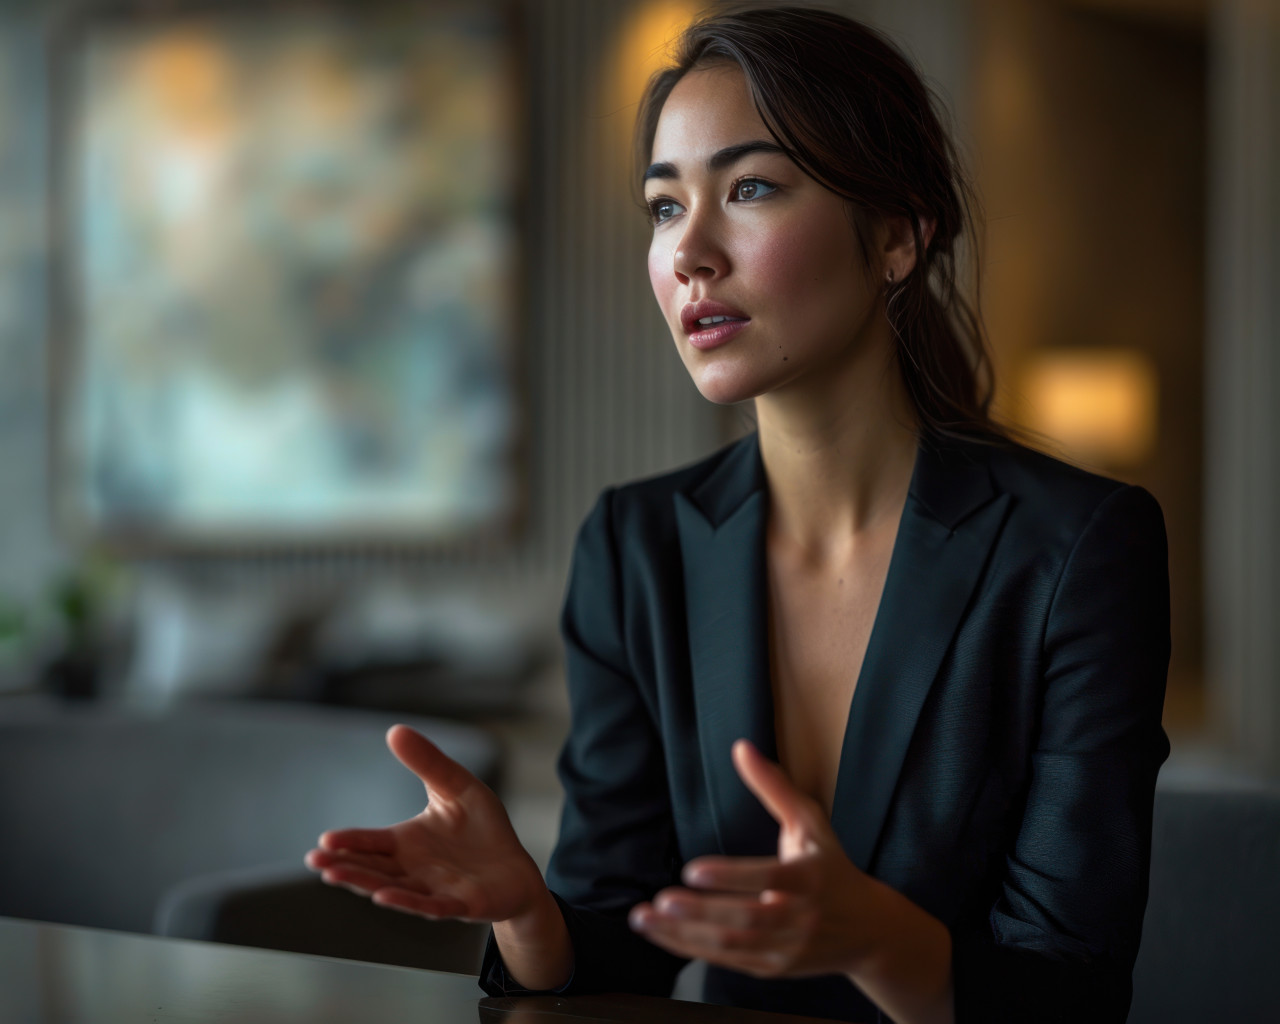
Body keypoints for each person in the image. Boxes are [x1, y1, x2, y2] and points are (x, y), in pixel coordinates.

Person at [305, 8, 1170, 1023]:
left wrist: (879, 940)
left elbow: (1068, 991)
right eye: (664, 207)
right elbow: (617, 948)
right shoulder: (635, 548)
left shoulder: (1074, 549)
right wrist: (525, 910)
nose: (689, 254)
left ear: (896, 235)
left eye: (750, 188)